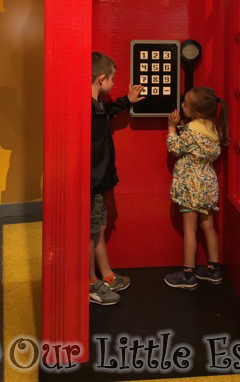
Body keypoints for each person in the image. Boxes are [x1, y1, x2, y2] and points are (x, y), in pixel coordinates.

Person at [89, 52, 144, 305]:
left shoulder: (99, 104)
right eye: (112, 79)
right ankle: (90, 282)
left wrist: (127, 101)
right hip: (93, 181)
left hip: (101, 180)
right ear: (101, 79)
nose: (113, 83)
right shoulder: (88, 108)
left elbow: (110, 111)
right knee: (91, 233)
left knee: (98, 229)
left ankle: (107, 275)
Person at [164, 86, 229, 291]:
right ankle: (213, 269)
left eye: (185, 104)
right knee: (208, 226)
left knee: (189, 229)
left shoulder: (191, 131)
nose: (181, 106)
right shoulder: (212, 128)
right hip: (208, 183)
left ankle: (188, 274)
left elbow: (175, 149)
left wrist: (172, 128)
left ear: (197, 113)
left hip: (190, 185)